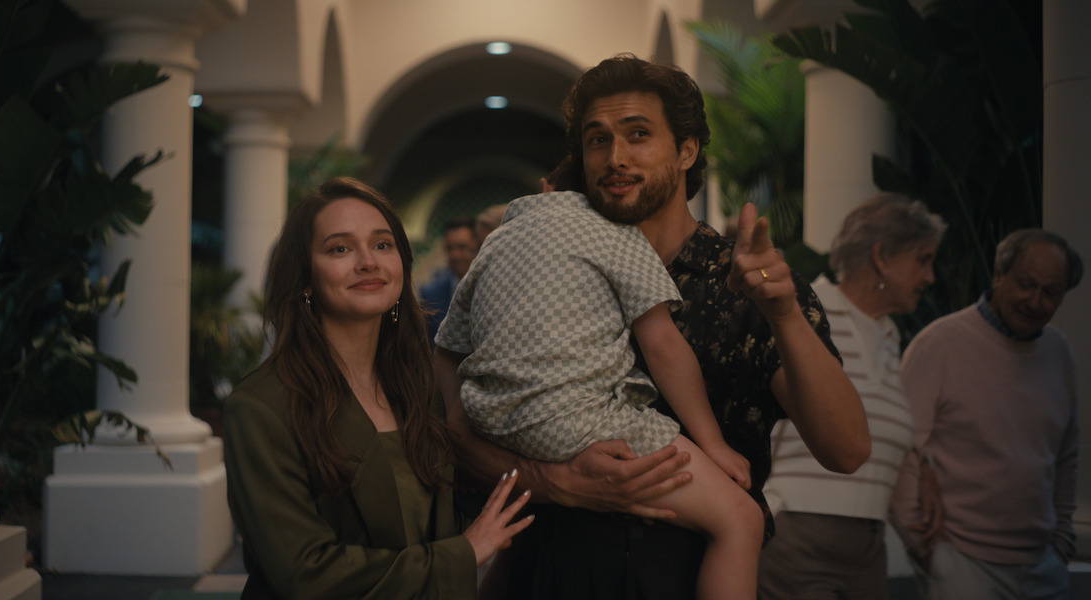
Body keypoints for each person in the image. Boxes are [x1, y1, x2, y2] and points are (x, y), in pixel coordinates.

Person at [434, 54, 870, 599]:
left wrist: (782, 313)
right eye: (597, 140)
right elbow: (456, 428)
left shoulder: (738, 281)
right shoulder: (538, 266)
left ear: (687, 150)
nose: (615, 157)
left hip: (679, 578)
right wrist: (554, 482)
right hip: (547, 572)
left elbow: (846, 450)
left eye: (638, 134)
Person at [435, 184, 763, 598]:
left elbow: (446, 352)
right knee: (741, 522)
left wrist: (460, 418)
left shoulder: (497, 242)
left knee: (520, 550)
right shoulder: (612, 228)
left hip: (495, 422)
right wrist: (713, 443)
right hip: (582, 420)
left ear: (545, 189)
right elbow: (661, 343)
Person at [222, 177, 533, 600]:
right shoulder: (260, 407)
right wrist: (462, 554)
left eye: (382, 245)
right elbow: (304, 575)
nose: (368, 261)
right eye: (340, 248)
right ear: (306, 277)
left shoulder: (418, 387)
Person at [759, 193, 947, 599]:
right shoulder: (806, 311)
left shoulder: (890, 336)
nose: (931, 276)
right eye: (923, 259)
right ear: (881, 257)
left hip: (868, 545)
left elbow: (879, 431)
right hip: (797, 537)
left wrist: (922, 463)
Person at [890, 229, 1082, 600]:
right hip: (962, 565)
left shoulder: (1060, 353)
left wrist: (1061, 545)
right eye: (1026, 284)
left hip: (1044, 565)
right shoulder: (939, 343)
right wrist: (928, 553)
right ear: (998, 275)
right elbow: (901, 449)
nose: (1036, 302)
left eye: (1050, 292)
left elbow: (1066, 457)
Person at [419, 216, 478, 342]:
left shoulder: (492, 288)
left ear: (478, 247)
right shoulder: (431, 295)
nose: (454, 255)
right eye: (449, 248)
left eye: (462, 247)